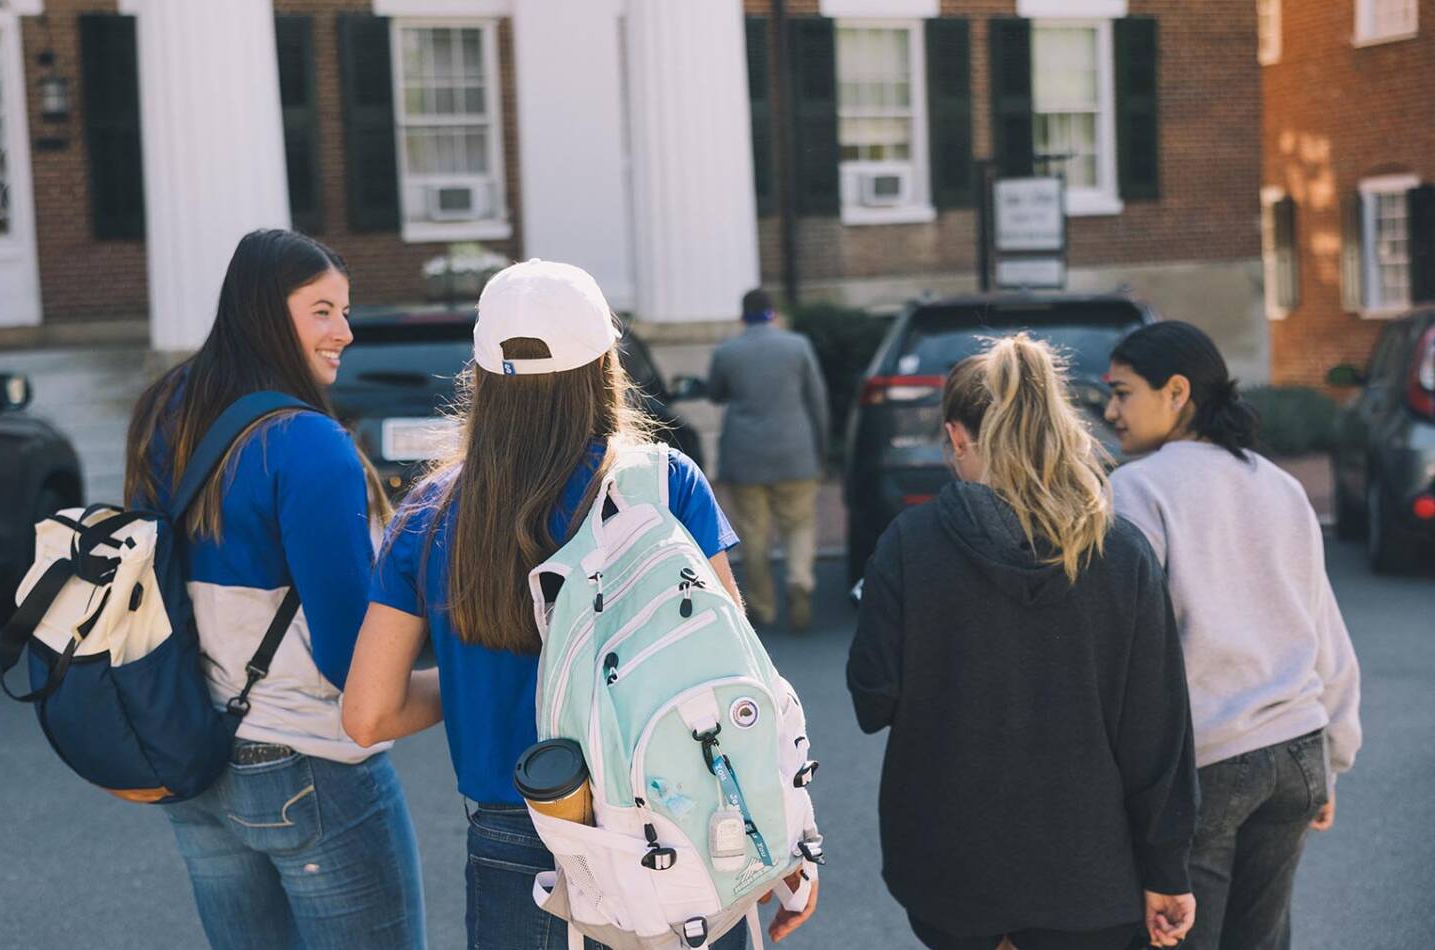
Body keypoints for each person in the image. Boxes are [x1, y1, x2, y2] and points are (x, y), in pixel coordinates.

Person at [340, 259, 817, 950]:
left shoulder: (433, 512)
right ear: (605, 366)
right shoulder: (664, 484)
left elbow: (367, 715)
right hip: (677, 827)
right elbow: (734, 672)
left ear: (482, 379)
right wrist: (791, 841)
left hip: (520, 840)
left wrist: (472, 682)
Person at [122, 229, 425, 950]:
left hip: (193, 754)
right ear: (265, 310)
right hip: (308, 766)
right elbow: (353, 674)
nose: (344, 332)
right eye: (322, 310)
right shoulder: (308, 443)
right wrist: (471, 679)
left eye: (345, 311)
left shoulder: (163, 410)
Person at [847, 334, 1199, 950]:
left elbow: (873, 700)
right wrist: (1166, 871)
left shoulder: (910, 544)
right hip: (1092, 880)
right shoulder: (1120, 552)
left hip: (951, 874)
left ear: (957, 437)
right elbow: (1158, 734)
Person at [1106, 321, 1362, 950]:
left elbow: (1131, 650)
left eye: (1121, 392)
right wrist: (1334, 755)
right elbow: (1322, 623)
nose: (1109, 410)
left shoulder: (1135, 490)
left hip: (1208, 763)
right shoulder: (1279, 484)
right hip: (1297, 751)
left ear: (1175, 391)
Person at [706, 288, 830, 630]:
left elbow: (715, 393)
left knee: (753, 531)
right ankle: (799, 580)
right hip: (795, 451)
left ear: (743, 316)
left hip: (746, 456)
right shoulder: (798, 346)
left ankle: (763, 605)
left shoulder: (728, 352)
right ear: (773, 314)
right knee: (799, 523)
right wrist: (821, 447)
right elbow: (817, 399)